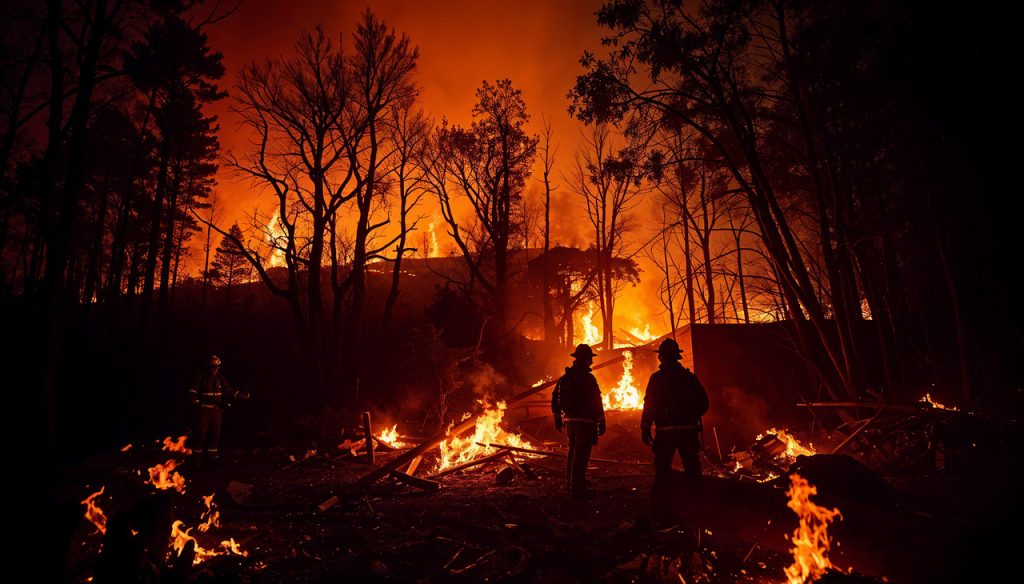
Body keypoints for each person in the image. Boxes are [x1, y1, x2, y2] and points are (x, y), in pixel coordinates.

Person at [641, 338, 709, 503]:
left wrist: (645, 427)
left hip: (665, 433)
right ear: (677, 357)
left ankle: (660, 504)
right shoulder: (689, 377)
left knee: (662, 469)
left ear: (661, 357)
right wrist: (692, 416)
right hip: (688, 431)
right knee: (692, 468)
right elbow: (704, 403)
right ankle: (697, 503)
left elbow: (649, 404)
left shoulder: (656, 379)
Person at [551, 343, 606, 499]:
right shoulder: (588, 379)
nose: (591, 362)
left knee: (572, 453)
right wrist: (601, 420)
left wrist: (557, 417)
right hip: (584, 422)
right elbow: (596, 401)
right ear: (586, 359)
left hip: (569, 421)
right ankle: (577, 489)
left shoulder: (565, 378)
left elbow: (555, 398)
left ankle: (571, 484)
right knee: (581, 455)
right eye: (590, 358)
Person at [188, 355, 250, 465]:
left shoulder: (220, 378)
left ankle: (212, 457)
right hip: (204, 411)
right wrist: (198, 404)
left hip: (216, 410)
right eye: (212, 367)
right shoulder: (201, 377)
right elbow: (192, 392)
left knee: (215, 434)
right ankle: (197, 459)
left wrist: (239, 395)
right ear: (208, 366)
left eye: (216, 367)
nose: (214, 369)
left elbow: (228, 390)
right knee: (200, 435)